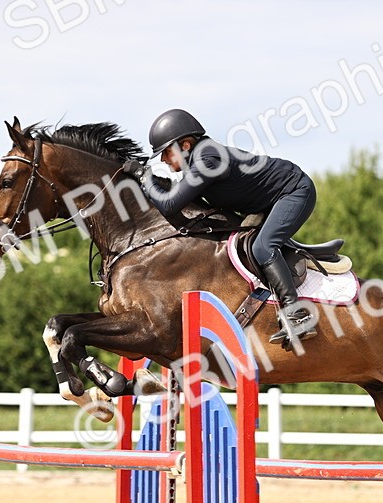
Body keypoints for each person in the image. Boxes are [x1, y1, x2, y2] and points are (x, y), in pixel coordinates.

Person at [123, 109, 317, 346]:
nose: (163, 160)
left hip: (293, 191)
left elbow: (170, 204)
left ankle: (297, 316)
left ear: (185, 145)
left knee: (263, 248)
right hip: (267, 201)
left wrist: (145, 177)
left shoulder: (207, 158)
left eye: (165, 153)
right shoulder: (198, 160)